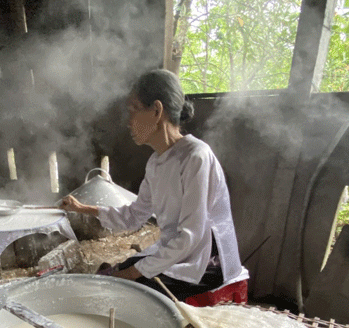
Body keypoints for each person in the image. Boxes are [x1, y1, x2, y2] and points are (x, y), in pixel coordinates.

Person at [60, 69, 248, 301]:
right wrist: (82, 208)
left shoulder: (196, 157)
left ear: (157, 111)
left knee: (130, 291)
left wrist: (131, 274)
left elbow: (191, 236)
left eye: (133, 110)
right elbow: (134, 215)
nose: (128, 122)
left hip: (206, 261)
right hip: (178, 252)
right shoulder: (156, 162)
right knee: (115, 273)